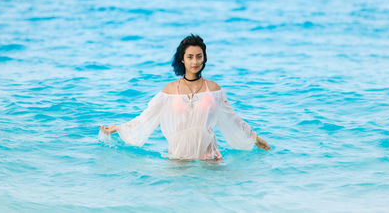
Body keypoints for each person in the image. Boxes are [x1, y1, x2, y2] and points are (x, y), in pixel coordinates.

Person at [99, 34, 271, 160]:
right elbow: (146, 118)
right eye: (190, 57)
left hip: (209, 156)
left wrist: (256, 139)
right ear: (182, 59)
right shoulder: (170, 90)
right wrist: (118, 128)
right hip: (178, 157)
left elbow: (233, 119)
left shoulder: (213, 88)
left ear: (204, 59)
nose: (195, 62)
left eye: (199, 56)